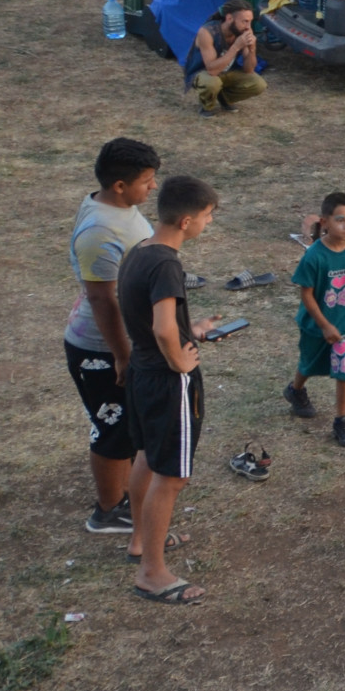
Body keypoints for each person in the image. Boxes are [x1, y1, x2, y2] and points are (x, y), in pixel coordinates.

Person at [118, 175, 225, 605]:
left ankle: (140, 541)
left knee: (147, 456)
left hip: (142, 372)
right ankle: (152, 573)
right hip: (167, 381)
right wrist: (180, 359)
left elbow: (149, 318)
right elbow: (164, 329)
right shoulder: (167, 265)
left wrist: (189, 330)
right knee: (173, 475)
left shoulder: (140, 251)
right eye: (207, 216)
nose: (208, 222)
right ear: (185, 221)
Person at [66, 137, 158, 535]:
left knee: (126, 424)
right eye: (146, 180)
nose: (153, 186)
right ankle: (108, 510)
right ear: (119, 185)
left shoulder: (115, 208)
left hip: (121, 342)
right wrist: (122, 354)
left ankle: (124, 494)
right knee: (113, 426)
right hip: (102, 349)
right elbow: (102, 298)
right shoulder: (100, 231)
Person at [286, 191, 345, 449]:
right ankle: (295, 390)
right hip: (315, 325)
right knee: (309, 364)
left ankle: (341, 420)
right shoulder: (314, 256)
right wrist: (324, 324)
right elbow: (306, 294)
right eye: (340, 220)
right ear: (324, 222)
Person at [183, 0, 267, 116]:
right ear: (229, 18)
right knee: (212, 82)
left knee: (258, 84)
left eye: (250, 21)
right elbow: (212, 70)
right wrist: (235, 47)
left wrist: (252, 49)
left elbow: (249, 70)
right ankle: (207, 106)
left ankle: (224, 98)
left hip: (227, 72)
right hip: (203, 72)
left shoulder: (242, 31)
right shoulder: (207, 32)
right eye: (244, 21)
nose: (248, 27)